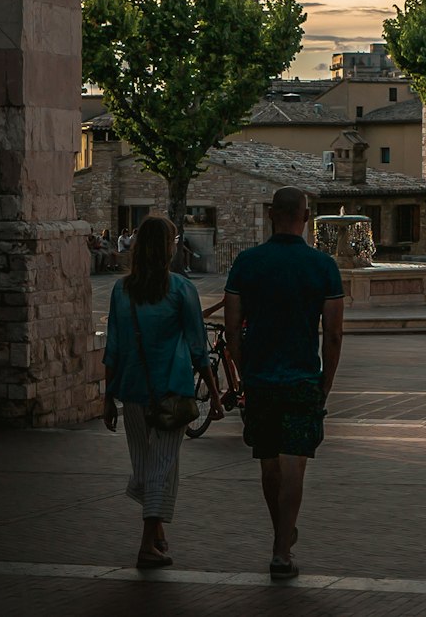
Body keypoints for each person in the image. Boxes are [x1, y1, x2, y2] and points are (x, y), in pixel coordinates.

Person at [224, 186, 345, 582]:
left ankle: (281, 536)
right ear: (305, 218)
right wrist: (325, 381)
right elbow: (333, 334)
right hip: (301, 374)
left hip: (260, 375)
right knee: (295, 462)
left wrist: (244, 368)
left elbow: (231, 327)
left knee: (269, 462)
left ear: (272, 214)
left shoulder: (246, 263)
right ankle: (281, 549)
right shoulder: (323, 266)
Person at [102, 215, 223, 569]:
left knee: (144, 464)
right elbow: (199, 349)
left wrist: (108, 397)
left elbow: (114, 349)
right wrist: (214, 395)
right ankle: (146, 543)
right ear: (168, 247)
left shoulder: (121, 291)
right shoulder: (181, 290)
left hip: (133, 390)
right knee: (163, 466)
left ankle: (156, 535)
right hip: (172, 389)